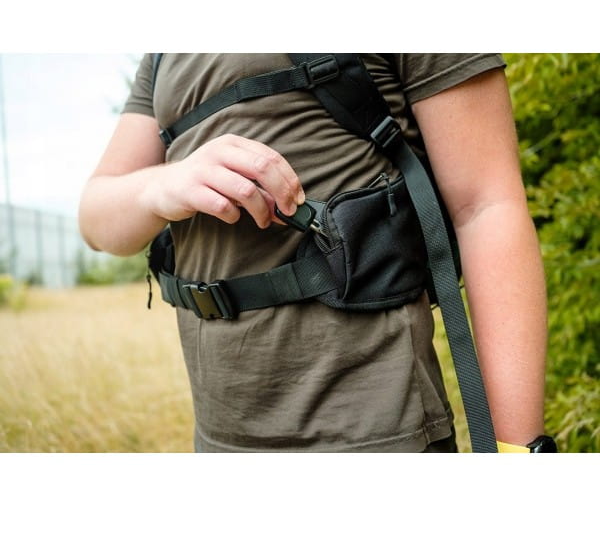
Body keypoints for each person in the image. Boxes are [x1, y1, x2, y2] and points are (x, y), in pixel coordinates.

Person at [79, 54, 548, 452]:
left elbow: (487, 207)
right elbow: (96, 219)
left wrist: (516, 454)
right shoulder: (163, 54)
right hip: (218, 436)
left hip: (375, 433)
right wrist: (160, 185)